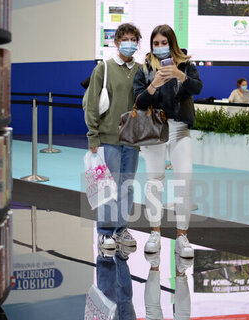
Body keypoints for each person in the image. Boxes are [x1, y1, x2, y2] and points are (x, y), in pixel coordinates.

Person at [133, 24, 203, 320]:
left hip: (181, 130)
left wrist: (179, 74)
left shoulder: (186, 62)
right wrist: (152, 86)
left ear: (172, 43)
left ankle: (183, 236)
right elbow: (138, 101)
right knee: (154, 182)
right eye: (156, 42)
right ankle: (154, 234)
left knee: (184, 183)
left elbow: (197, 89)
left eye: (164, 42)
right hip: (155, 130)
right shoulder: (144, 68)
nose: (159, 46)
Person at [84, 22, 142, 320]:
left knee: (127, 187)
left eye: (134, 39)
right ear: (117, 41)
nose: (129, 43)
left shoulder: (142, 70)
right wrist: (93, 136)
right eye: (125, 39)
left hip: (132, 139)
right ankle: (106, 232)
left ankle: (120, 229)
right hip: (107, 138)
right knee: (108, 189)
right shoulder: (104, 68)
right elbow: (91, 103)